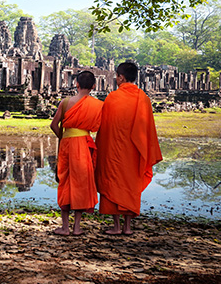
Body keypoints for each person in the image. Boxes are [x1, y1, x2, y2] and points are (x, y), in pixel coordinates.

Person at [95, 62, 163, 235]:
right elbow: (148, 129)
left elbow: (105, 128)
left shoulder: (112, 97)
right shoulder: (143, 98)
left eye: (117, 76)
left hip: (114, 150)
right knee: (130, 185)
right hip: (134, 152)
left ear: (121, 77)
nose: (116, 79)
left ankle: (116, 226)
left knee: (113, 183)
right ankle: (127, 227)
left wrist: (100, 149)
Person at [50, 70, 104, 236]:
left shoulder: (66, 102)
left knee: (65, 180)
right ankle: (77, 228)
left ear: (76, 84)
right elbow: (99, 126)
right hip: (84, 144)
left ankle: (65, 227)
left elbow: (53, 125)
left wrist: (64, 136)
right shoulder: (98, 105)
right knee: (81, 182)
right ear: (94, 86)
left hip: (67, 144)